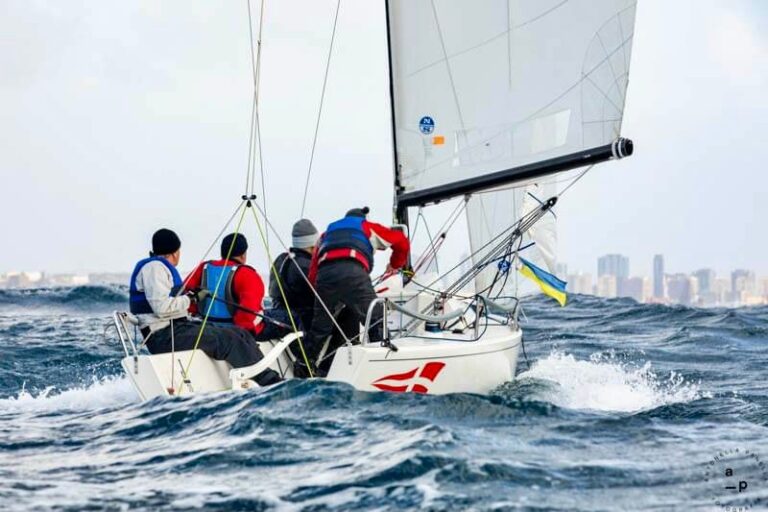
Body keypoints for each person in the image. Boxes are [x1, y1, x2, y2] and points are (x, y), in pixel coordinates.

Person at [129, 228, 280, 386]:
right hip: (164, 336)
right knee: (227, 340)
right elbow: (161, 307)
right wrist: (192, 298)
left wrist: (191, 297)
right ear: (174, 253)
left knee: (238, 332)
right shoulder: (154, 268)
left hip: (176, 328)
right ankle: (269, 382)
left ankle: (262, 374)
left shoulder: (159, 267)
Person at [306, 207, 410, 371]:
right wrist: (395, 264)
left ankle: (305, 366)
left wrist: (322, 293)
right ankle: (383, 366)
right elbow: (402, 241)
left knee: (320, 327)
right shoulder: (367, 226)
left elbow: (312, 273)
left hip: (324, 276)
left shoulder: (326, 233)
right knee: (375, 318)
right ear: (363, 218)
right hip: (353, 271)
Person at [186, 233, 290, 341]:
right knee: (294, 319)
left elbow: (186, 294)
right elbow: (247, 315)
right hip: (238, 332)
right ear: (243, 255)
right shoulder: (247, 274)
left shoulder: (204, 268)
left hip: (207, 327)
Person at [268, 218, 319, 332]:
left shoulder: (281, 259)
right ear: (312, 245)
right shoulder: (307, 266)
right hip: (302, 322)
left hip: (280, 315)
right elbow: (323, 293)